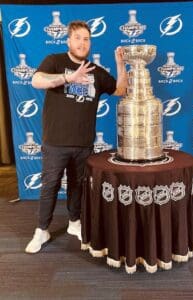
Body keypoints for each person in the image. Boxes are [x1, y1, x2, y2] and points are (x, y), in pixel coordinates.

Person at [25, 21, 127, 254]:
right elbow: (36, 80)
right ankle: (42, 230)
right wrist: (68, 79)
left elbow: (120, 90)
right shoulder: (55, 61)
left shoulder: (95, 71)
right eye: (78, 38)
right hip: (55, 142)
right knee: (49, 186)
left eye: (86, 39)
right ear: (68, 41)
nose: (82, 43)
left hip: (83, 143)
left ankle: (74, 223)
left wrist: (121, 65)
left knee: (78, 185)